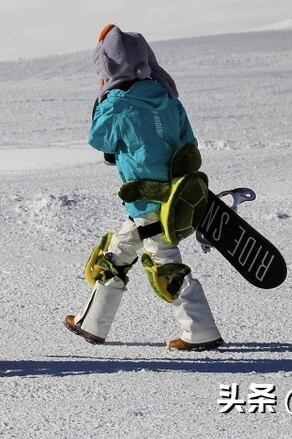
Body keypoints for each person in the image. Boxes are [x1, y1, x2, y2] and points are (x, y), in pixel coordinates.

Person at [64, 23, 224, 352]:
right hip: (174, 194)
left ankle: (201, 330)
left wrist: (103, 95)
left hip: (144, 196)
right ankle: (92, 323)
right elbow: (189, 144)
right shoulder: (167, 97)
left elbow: (99, 139)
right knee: (117, 252)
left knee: (164, 263)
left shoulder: (117, 103)